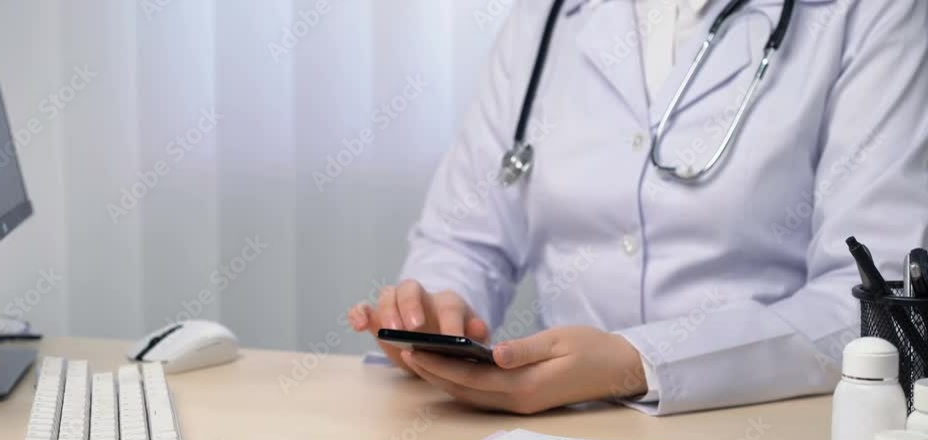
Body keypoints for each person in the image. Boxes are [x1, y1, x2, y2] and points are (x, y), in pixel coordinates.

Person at [348, 0, 928, 415]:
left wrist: (637, 362)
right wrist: (438, 314)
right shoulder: (548, 16)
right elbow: (463, 239)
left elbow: (877, 302)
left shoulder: (871, 13)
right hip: (563, 437)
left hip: (767, 428)